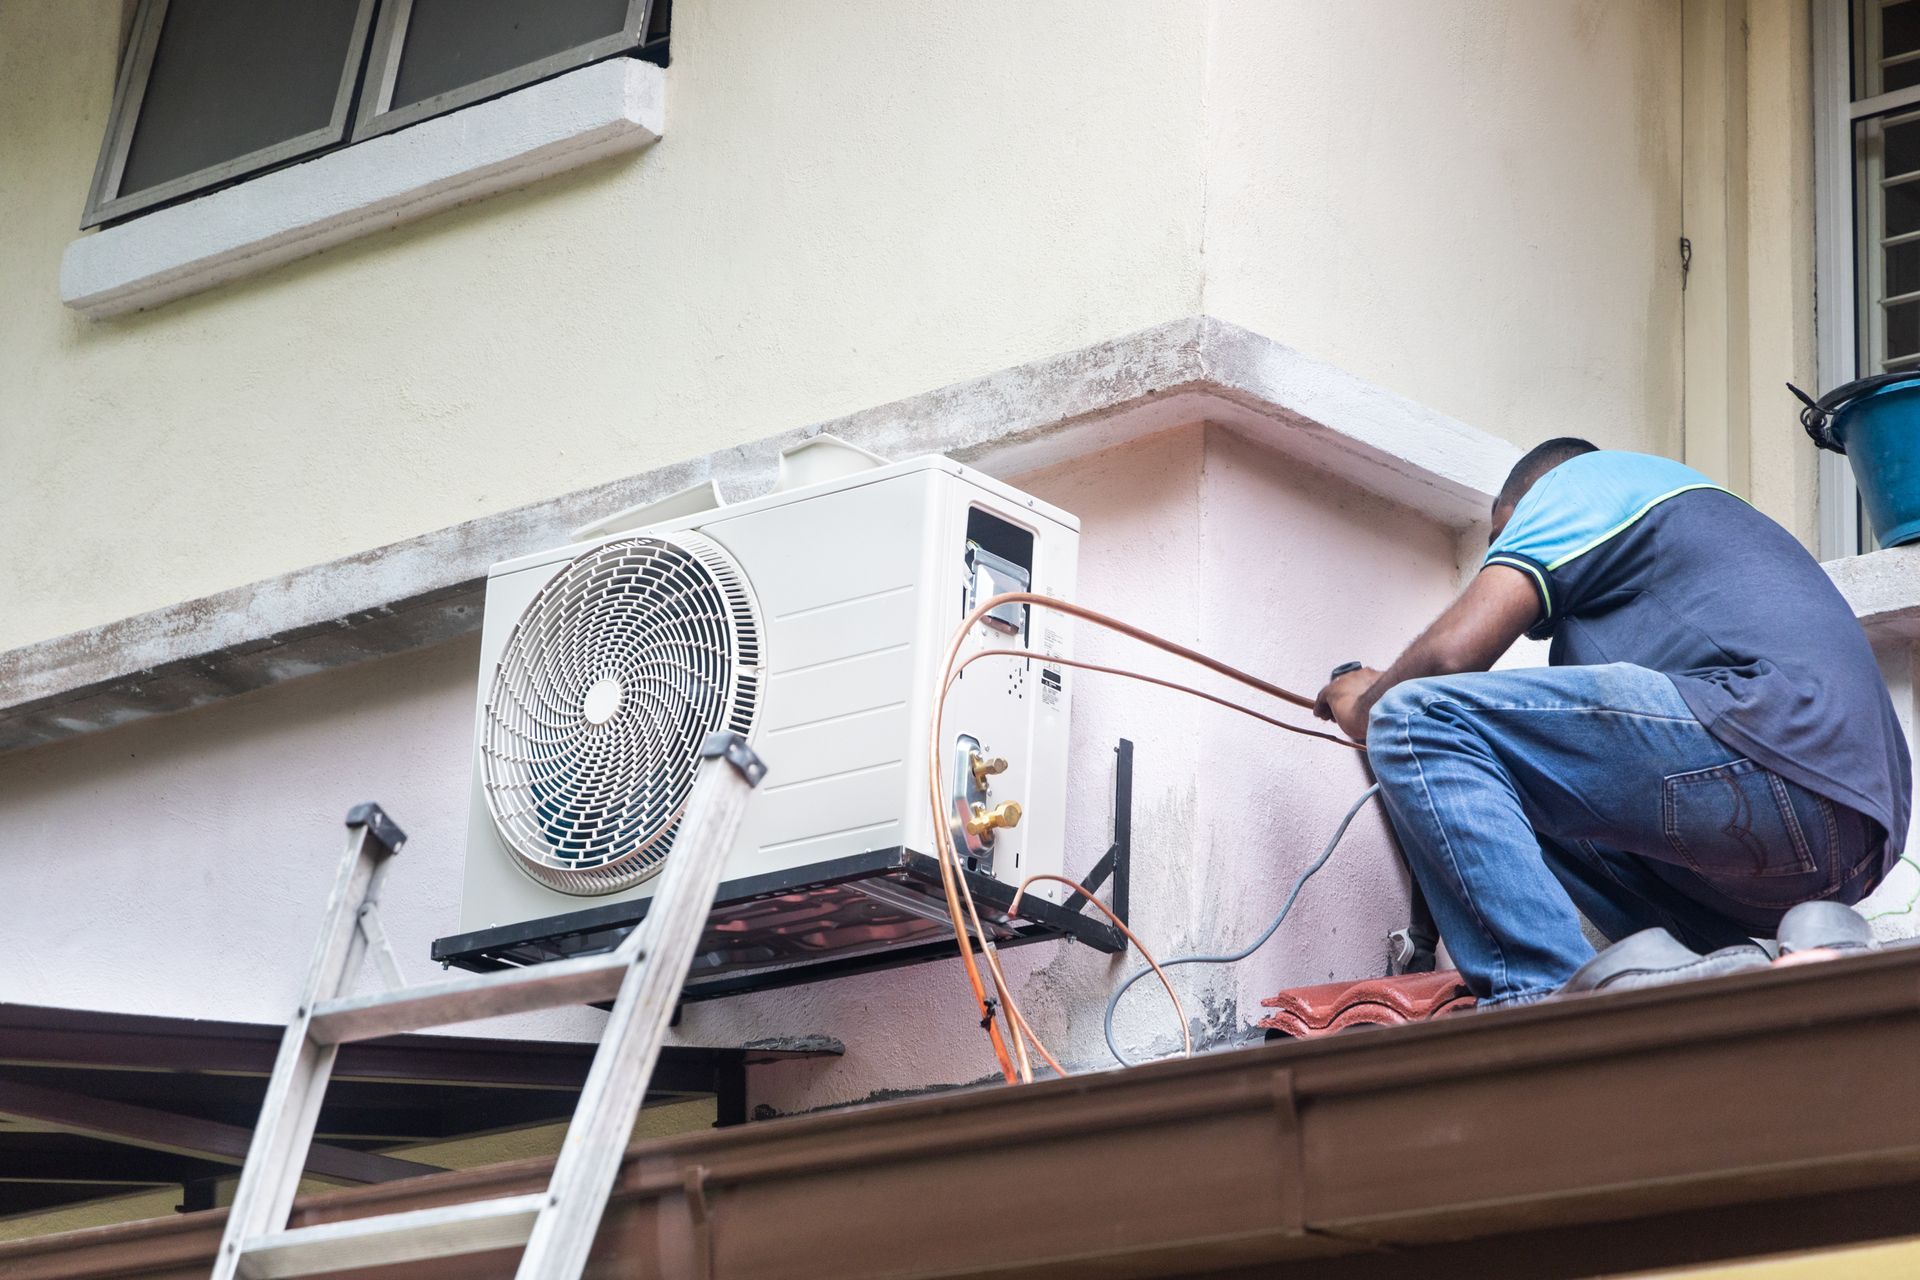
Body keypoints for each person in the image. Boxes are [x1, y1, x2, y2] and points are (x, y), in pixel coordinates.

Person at [1314, 439, 1910, 1006]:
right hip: (1856, 839)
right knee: (1517, 785)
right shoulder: (1649, 588)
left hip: (1776, 747)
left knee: (1417, 715)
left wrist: (1364, 704)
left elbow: (1449, 660)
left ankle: (1541, 1001)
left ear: (1533, 498)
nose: (1500, 554)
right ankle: (1696, 981)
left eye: (1504, 536)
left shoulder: (1582, 481)